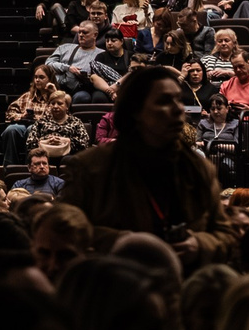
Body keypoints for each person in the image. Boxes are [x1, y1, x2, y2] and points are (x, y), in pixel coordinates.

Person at [59, 66, 225, 254]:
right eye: (164, 101)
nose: (179, 108)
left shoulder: (199, 168)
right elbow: (62, 231)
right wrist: (120, 242)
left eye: (178, 99)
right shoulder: (90, 168)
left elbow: (225, 233)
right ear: (135, 110)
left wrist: (199, 244)